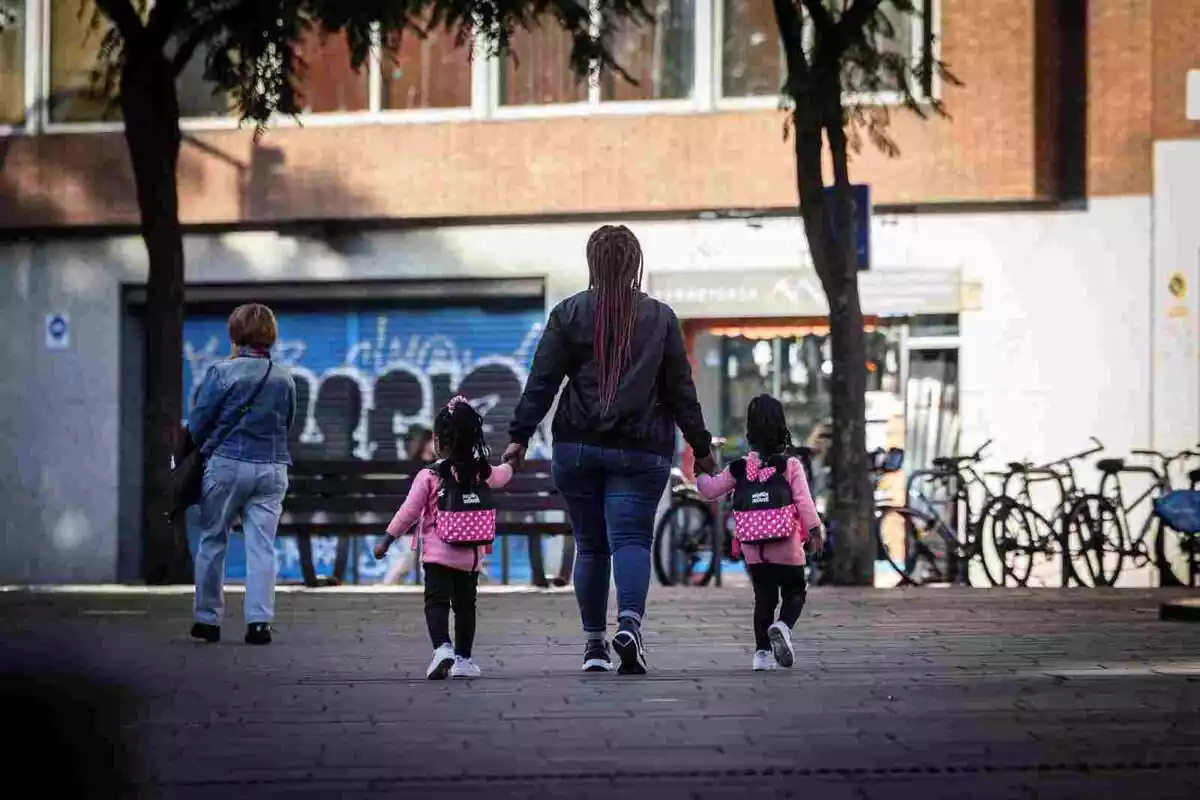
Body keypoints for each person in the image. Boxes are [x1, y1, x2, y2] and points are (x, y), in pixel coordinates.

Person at [503, 224, 715, 675]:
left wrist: (519, 437)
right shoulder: (659, 318)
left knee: (591, 546)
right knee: (632, 540)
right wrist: (701, 447)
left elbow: (542, 382)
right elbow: (681, 392)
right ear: (635, 263)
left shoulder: (568, 313)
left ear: (592, 263)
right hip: (641, 450)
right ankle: (630, 626)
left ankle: (594, 647)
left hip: (577, 448)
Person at [374, 397, 513, 680]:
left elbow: (408, 512)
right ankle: (463, 659)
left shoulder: (430, 475)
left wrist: (387, 539)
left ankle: (441, 648)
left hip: (437, 555)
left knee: (436, 603)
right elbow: (503, 475)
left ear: (438, 440)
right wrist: (512, 461)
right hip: (470, 557)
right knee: (465, 607)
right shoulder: (481, 472)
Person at [188, 303, 296, 646]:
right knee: (262, 547)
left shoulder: (222, 373)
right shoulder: (284, 377)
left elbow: (198, 425)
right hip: (273, 468)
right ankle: (259, 623)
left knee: (212, 539)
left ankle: (208, 620)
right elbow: (288, 424)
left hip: (227, 466)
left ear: (235, 334)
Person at [696, 394, 825, 671]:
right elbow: (804, 502)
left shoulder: (739, 468)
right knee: (794, 593)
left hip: (754, 550)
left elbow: (709, 491)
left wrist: (700, 472)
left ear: (750, 431)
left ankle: (762, 656)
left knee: (764, 598)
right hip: (787, 548)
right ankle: (783, 627)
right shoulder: (790, 466)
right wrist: (815, 531)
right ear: (782, 428)